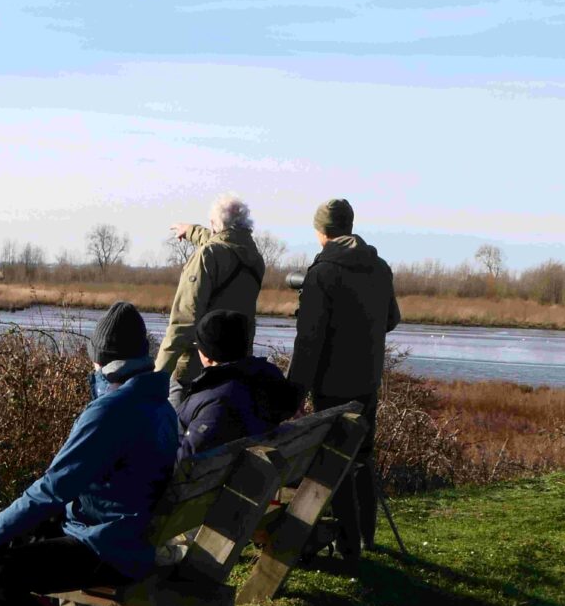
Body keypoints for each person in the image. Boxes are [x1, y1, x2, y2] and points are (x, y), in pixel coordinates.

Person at [0, 302, 179, 606]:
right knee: (27, 533)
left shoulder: (111, 411)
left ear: (100, 359)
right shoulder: (159, 404)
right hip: (130, 535)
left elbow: (55, 485)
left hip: (106, 547)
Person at [287, 198, 401, 564]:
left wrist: (293, 393)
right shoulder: (379, 267)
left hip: (331, 385)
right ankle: (366, 536)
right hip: (368, 379)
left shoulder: (323, 274)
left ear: (322, 231)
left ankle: (348, 546)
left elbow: (309, 342)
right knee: (362, 456)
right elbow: (392, 319)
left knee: (333, 461)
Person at [156, 195, 266, 408]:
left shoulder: (207, 256)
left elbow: (184, 321)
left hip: (197, 369)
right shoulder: (253, 257)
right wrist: (191, 231)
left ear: (216, 225)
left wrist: (156, 376)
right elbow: (224, 243)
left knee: (177, 432)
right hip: (236, 369)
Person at [177, 310, 301, 460]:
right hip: (244, 476)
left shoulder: (218, 399)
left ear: (207, 354)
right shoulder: (268, 380)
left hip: (210, 480)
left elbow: (185, 459)